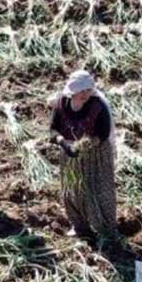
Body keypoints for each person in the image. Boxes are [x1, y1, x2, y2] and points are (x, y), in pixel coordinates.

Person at [49, 69, 118, 242]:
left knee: (99, 191)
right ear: (73, 90)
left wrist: (87, 144)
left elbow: (103, 133)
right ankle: (80, 226)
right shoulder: (62, 103)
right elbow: (53, 129)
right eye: (82, 90)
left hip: (96, 155)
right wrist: (65, 144)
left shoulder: (98, 106)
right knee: (73, 190)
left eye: (88, 90)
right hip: (70, 155)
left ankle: (106, 230)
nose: (85, 94)